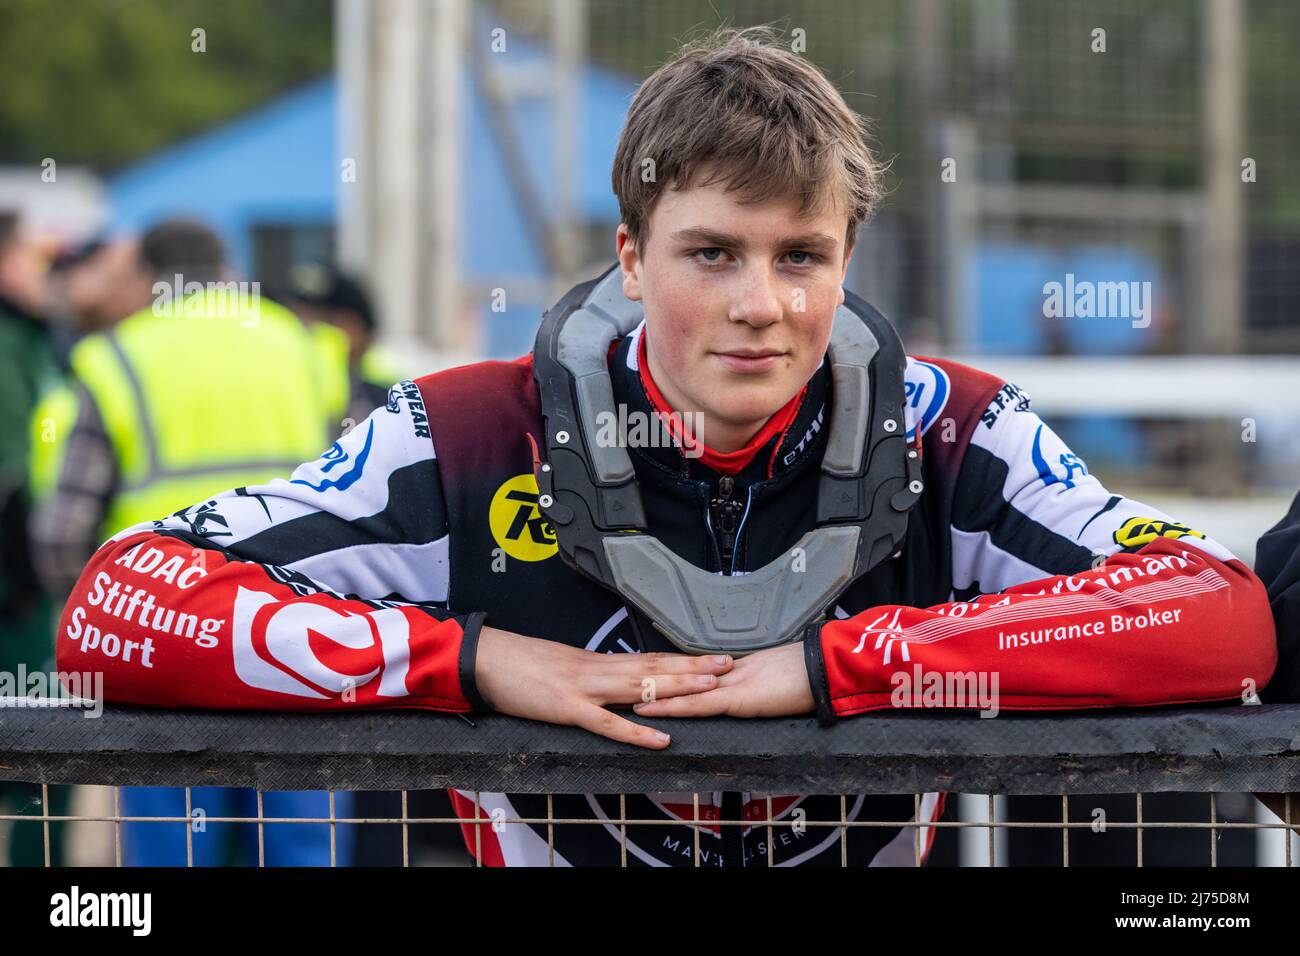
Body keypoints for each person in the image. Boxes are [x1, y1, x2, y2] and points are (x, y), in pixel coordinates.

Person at [56, 27, 1276, 867]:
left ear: (848, 259)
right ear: (630, 256)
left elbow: (1218, 615)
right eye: (712, 253)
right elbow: (116, 605)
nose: (763, 303)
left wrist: (851, 663)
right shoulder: (471, 432)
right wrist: (468, 659)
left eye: (800, 255)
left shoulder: (951, 431)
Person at [33, 217, 355, 866]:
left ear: (150, 279)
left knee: (172, 848)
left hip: (165, 642)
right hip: (298, 631)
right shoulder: (300, 344)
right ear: (227, 268)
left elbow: (62, 535)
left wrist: (101, 621)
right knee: (301, 843)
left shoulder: (117, 358)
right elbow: (354, 492)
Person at [0, 213, 71, 866]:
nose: (46, 279)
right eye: (33, 261)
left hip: (20, 583)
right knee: (44, 746)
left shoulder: (34, 338)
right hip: (15, 590)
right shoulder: (14, 340)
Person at [278, 261, 405, 424]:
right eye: (297, 320)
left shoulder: (388, 388)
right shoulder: (287, 375)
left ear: (357, 326)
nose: (308, 333)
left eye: (325, 324)